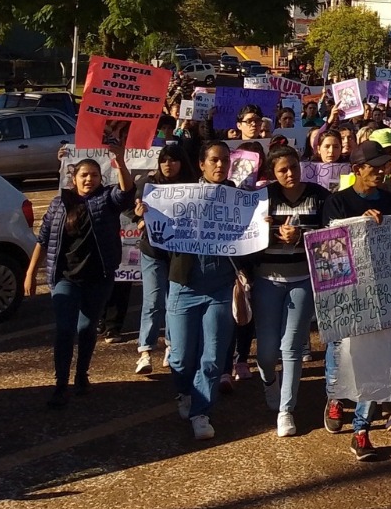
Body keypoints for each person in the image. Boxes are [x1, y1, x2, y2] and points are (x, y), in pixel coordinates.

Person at [23, 140, 137, 407]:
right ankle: (60, 384)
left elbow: (126, 192)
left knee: (86, 329)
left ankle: (81, 375)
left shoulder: (106, 200)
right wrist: (30, 273)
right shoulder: (58, 204)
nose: (89, 180)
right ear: (73, 178)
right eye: (84, 175)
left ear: (100, 178)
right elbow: (42, 239)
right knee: (64, 329)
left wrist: (120, 160)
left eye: (94, 175)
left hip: (98, 278)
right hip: (65, 278)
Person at [322, 140, 391, 459]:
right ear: (357, 170)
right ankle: (334, 396)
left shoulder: (390, 200)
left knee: (373, 359)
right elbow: (328, 247)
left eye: (385, 165)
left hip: (378, 292)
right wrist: (360, 225)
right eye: (376, 166)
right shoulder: (337, 202)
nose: (383, 170)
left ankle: (361, 429)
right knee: (340, 353)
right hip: (342, 293)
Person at [166, 141, 242, 441]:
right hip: (184, 285)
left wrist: (261, 227)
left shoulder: (239, 199)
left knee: (212, 357)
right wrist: (148, 219)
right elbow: (155, 244)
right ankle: (185, 391)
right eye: (214, 160)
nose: (220, 165)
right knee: (181, 358)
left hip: (221, 286)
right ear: (201, 164)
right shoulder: (179, 197)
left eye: (225, 160)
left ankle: (201, 412)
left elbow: (251, 243)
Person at [255, 148, 328, 437]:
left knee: (293, 346)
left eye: (294, 167)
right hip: (266, 279)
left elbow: (331, 231)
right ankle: (268, 378)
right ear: (272, 172)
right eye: (283, 169)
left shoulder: (319, 195)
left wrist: (302, 236)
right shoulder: (262, 198)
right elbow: (244, 232)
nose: (290, 173)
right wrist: (267, 231)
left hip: (303, 278)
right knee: (266, 350)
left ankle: (287, 410)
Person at [132, 142, 193, 375]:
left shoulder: (191, 186)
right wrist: (138, 217)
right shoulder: (148, 184)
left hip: (179, 252)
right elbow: (132, 206)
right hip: (153, 250)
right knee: (153, 299)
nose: (169, 165)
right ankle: (145, 350)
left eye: (174, 160)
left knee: (174, 301)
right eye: (164, 160)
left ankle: (171, 345)